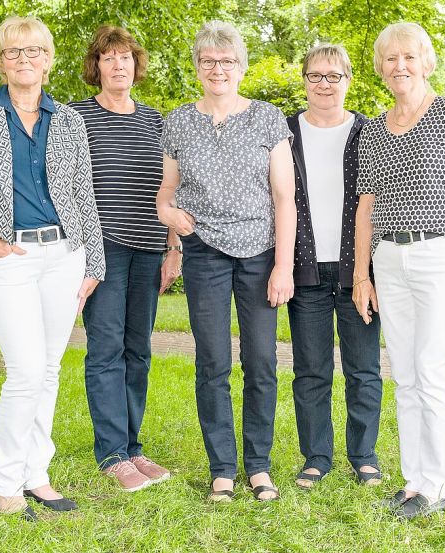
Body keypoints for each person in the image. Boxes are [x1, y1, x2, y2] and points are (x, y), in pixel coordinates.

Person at [0, 15, 104, 520]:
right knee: (25, 371)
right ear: (1, 61)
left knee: (49, 370)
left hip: (64, 257)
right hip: (10, 258)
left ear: (49, 60)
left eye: (34, 51)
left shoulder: (70, 120)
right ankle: (5, 481)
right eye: (13, 52)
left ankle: (36, 475)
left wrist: (92, 260)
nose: (24, 59)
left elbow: (83, 194)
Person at [156, 20, 296, 503]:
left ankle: (258, 467)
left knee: (260, 363)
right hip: (204, 255)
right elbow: (165, 196)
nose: (218, 69)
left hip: (260, 255)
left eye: (227, 61)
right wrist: (173, 218)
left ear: (241, 67)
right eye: (209, 61)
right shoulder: (176, 123)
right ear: (197, 66)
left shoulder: (267, 119)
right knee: (212, 362)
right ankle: (221, 468)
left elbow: (284, 199)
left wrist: (283, 266)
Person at [352, 22, 445, 520]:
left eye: (409, 56)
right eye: (390, 58)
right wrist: (361, 275)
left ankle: (439, 486)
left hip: (439, 256)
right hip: (388, 257)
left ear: (426, 62)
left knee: (431, 372)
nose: (400, 65)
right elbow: (365, 207)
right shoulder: (374, 128)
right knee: (404, 375)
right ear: (381, 68)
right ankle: (414, 482)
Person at [70, 26, 180, 493]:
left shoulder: (156, 120)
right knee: (106, 349)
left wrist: (173, 248)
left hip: (150, 248)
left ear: (137, 65)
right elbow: (65, 184)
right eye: (109, 58)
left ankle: (133, 447)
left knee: (139, 349)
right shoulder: (75, 116)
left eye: (127, 58)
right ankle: (112, 453)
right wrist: (80, 254)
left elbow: (174, 187)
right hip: (104, 250)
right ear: (96, 67)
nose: (119, 65)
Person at [286, 44, 383, 490]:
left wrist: (366, 271)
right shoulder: (285, 132)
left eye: (333, 76)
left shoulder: (370, 131)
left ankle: (364, 456)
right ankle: (316, 456)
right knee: (311, 369)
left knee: (363, 369)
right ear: (304, 80)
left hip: (357, 271)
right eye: (315, 76)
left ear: (348, 80)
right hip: (304, 268)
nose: (324, 84)